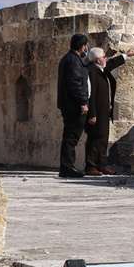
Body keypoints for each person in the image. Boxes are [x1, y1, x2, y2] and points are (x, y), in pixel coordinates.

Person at [85, 44, 131, 175]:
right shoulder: (92, 71)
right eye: (104, 57)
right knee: (94, 138)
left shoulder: (101, 69)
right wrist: (92, 114)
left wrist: (126, 55)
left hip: (105, 111)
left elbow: (111, 63)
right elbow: (91, 94)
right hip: (96, 111)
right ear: (98, 59)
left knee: (103, 138)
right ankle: (91, 166)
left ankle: (101, 164)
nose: (106, 59)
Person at [55, 33, 92, 178]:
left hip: (70, 104)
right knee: (71, 137)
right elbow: (75, 84)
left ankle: (67, 166)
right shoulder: (73, 61)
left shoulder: (72, 59)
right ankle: (67, 167)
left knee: (70, 137)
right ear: (82, 46)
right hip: (73, 106)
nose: (87, 48)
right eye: (86, 45)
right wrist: (83, 102)